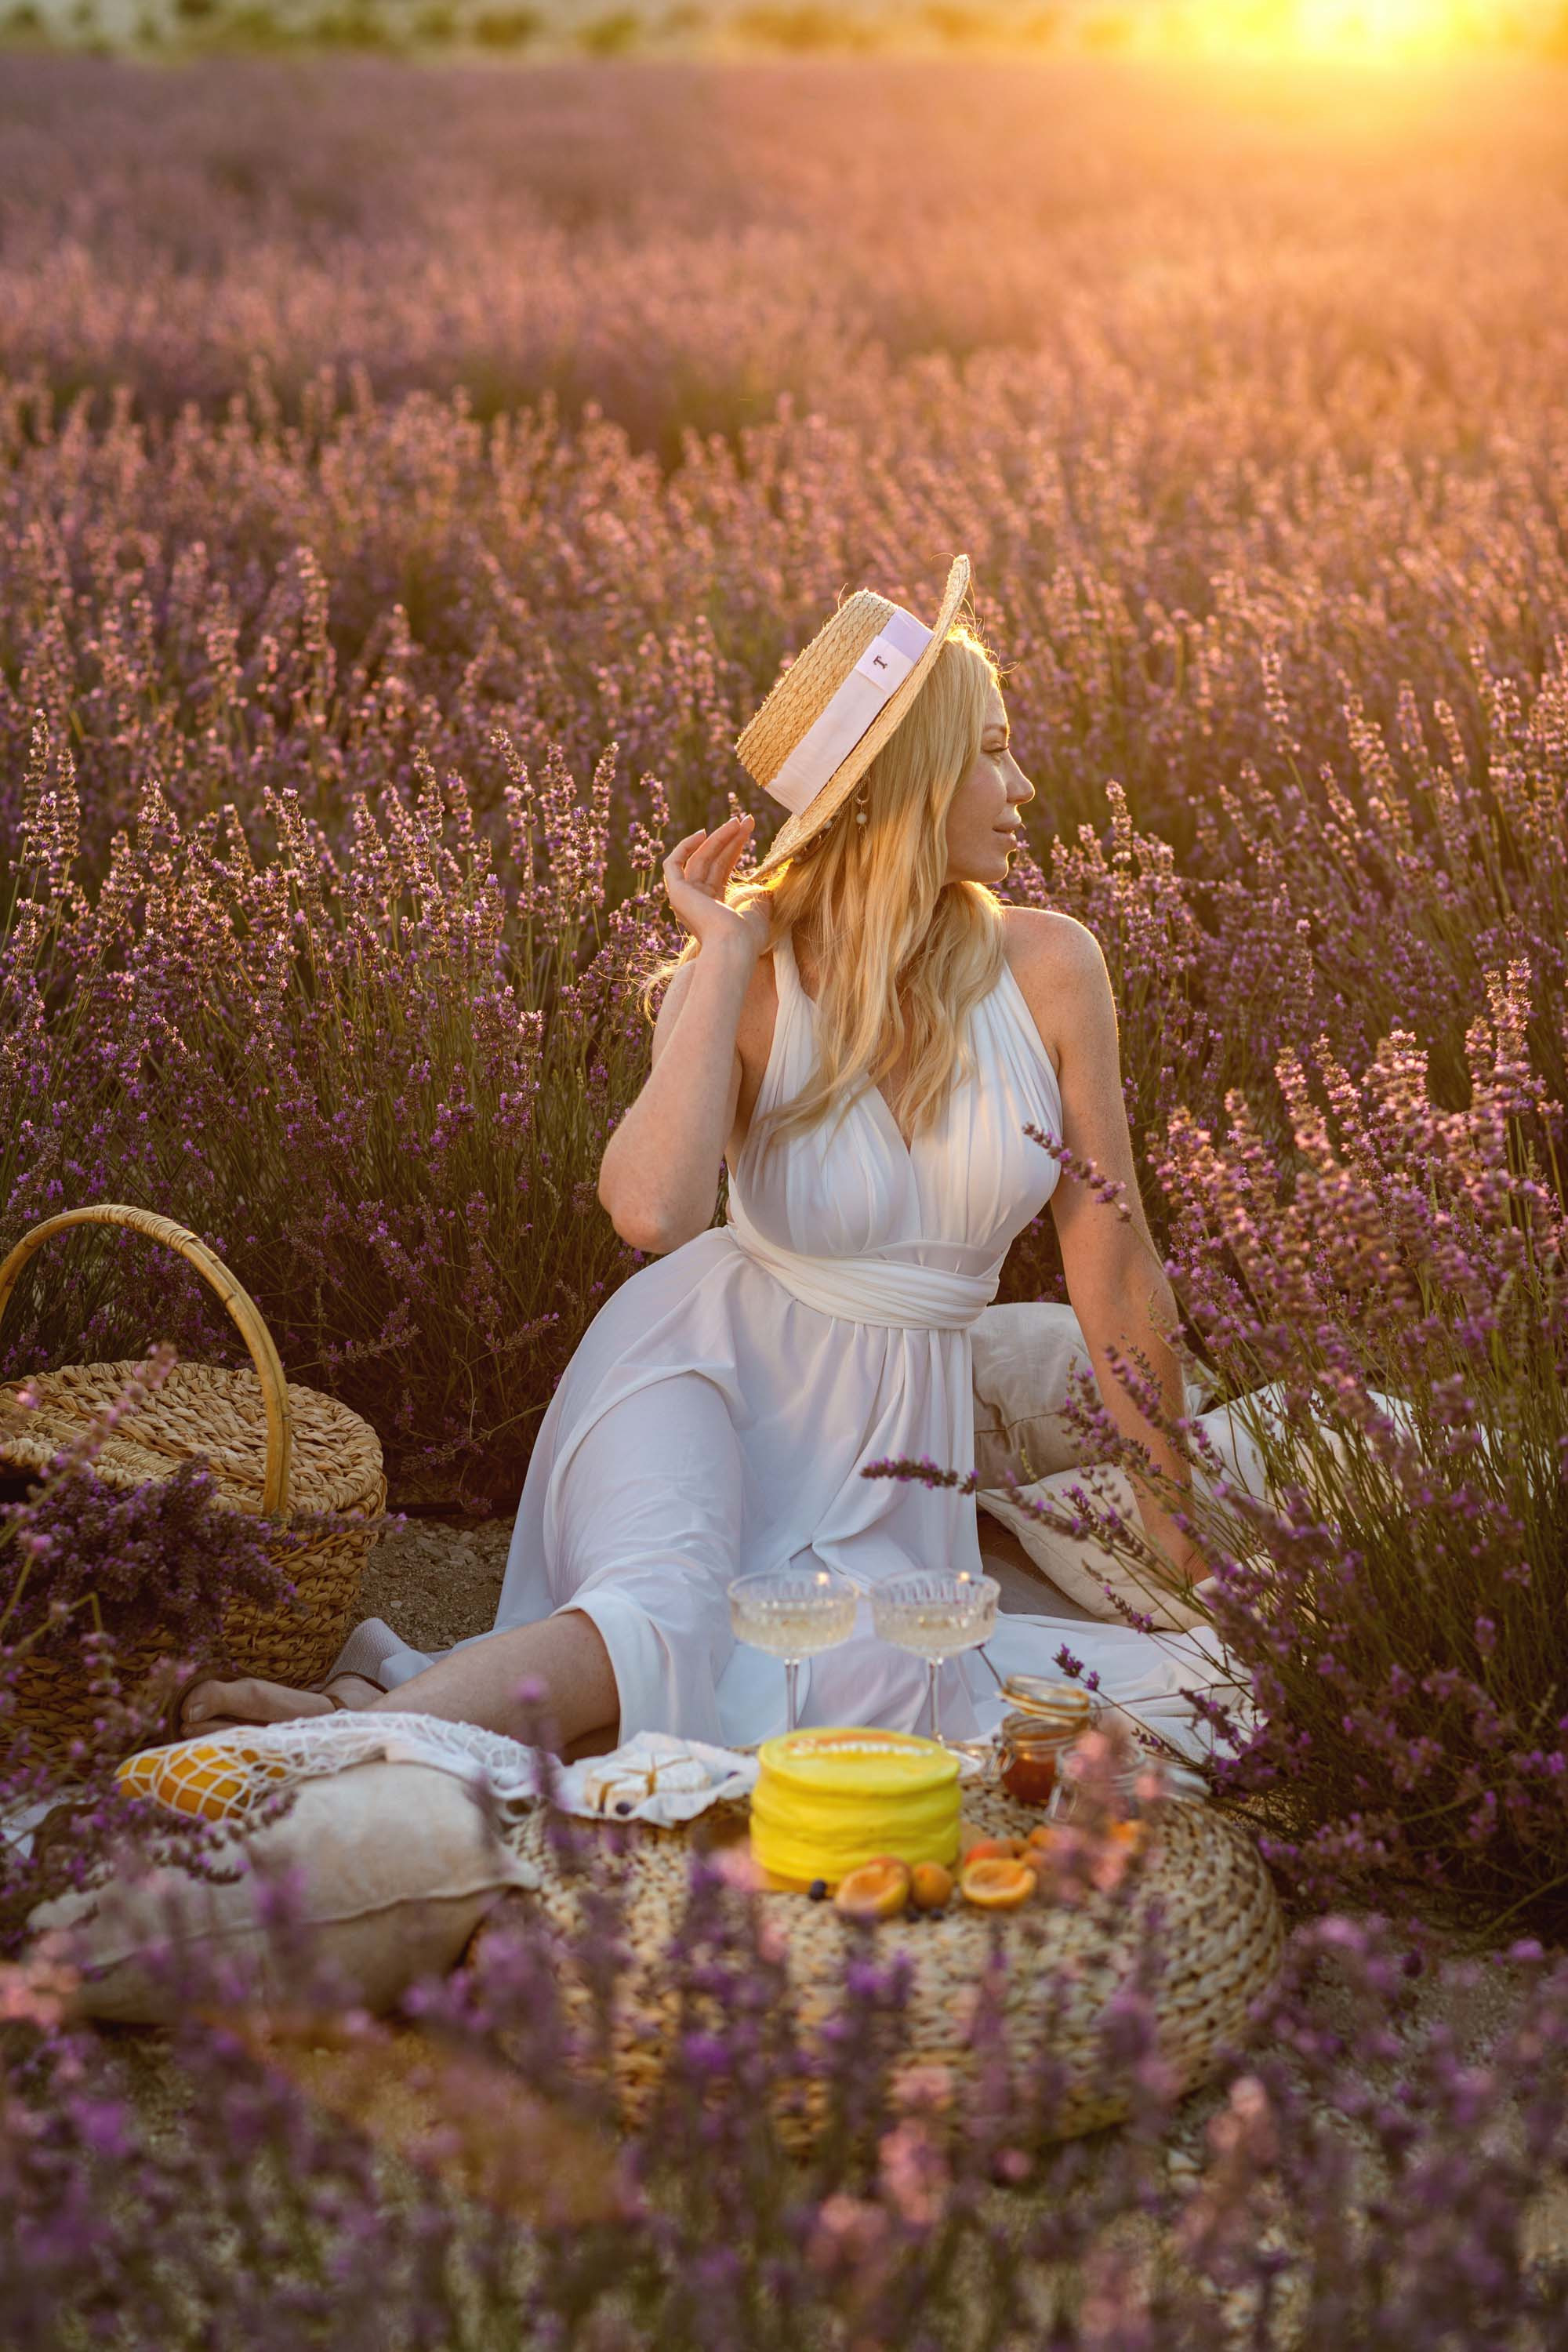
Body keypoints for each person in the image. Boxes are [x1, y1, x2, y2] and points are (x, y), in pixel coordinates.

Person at [174, 557, 1246, 1776]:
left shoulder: (1052, 968)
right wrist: (727, 955)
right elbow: (652, 1212)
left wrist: (1174, 1515)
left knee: (881, 1676)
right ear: (909, 779)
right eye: (992, 751)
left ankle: (401, 1715)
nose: (1026, 783)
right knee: (665, 1613)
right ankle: (339, 1743)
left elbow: (1113, 1259)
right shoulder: (744, 975)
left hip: (895, 1454)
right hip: (701, 1368)